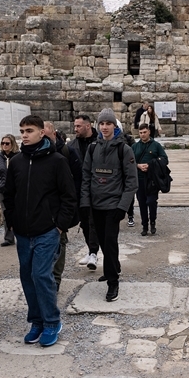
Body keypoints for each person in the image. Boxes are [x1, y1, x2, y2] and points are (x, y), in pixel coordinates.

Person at [3, 115, 77, 347]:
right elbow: (9, 195)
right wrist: (11, 221)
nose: (24, 135)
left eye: (29, 130)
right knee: (27, 276)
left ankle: (52, 321)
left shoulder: (56, 161)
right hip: (23, 232)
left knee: (41, 275)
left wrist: (60, 225)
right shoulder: (16, 161)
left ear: (41, 133)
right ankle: (36, 320)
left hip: (47, 230)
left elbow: (69, 196)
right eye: (22, 130)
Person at [81, 108, 137, 303]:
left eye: (108, 123)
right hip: (96, 205)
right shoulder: (92, 148)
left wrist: (122, 207)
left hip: (113, 205)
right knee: (103, 242)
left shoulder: (124, 149)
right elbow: (86, 176)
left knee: (110, 243)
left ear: (115, 126)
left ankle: (113, 281)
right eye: (102, 124)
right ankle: (112, 269)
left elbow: (131, 182)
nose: (104, 127)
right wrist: (85, 203)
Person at [43, 121, 81, 291]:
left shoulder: (67, 152)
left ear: (54, 134)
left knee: (60, 242)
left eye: (46, 135)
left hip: (60, 208)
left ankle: (55, 280)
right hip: (41, 209)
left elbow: (77, 182)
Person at [72, 114, 100, 269]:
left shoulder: (99, 142)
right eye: (75, 126)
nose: (75, 129)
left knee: (94, 221)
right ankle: (91, 251)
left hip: (97, 189)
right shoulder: (73, 145)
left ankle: (94, 253)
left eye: (78, 126)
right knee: (84, 222)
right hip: (80, 190)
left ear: (88, 126)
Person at [131, 123, 169, 236]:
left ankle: (152, 221)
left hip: (152, 179)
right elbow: (129, 161)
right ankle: (144, 226)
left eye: (144, 132)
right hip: (140, 179)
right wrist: (138, 166)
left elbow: (165, 159)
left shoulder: (156, 145)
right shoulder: (135, 147)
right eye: (141, 133)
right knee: (142, 203)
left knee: (151, 201)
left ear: (149, 132)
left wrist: (150, 165)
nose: (143, 135)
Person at [0, 133, 19, 247]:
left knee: (19, 211)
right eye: (3, 143)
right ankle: (9, 238)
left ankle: (21, 235)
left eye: (7, 143)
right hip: (2, 189)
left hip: (17, 189)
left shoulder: (19, 157)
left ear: (12, 144)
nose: (4, 145)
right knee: (5, 213)